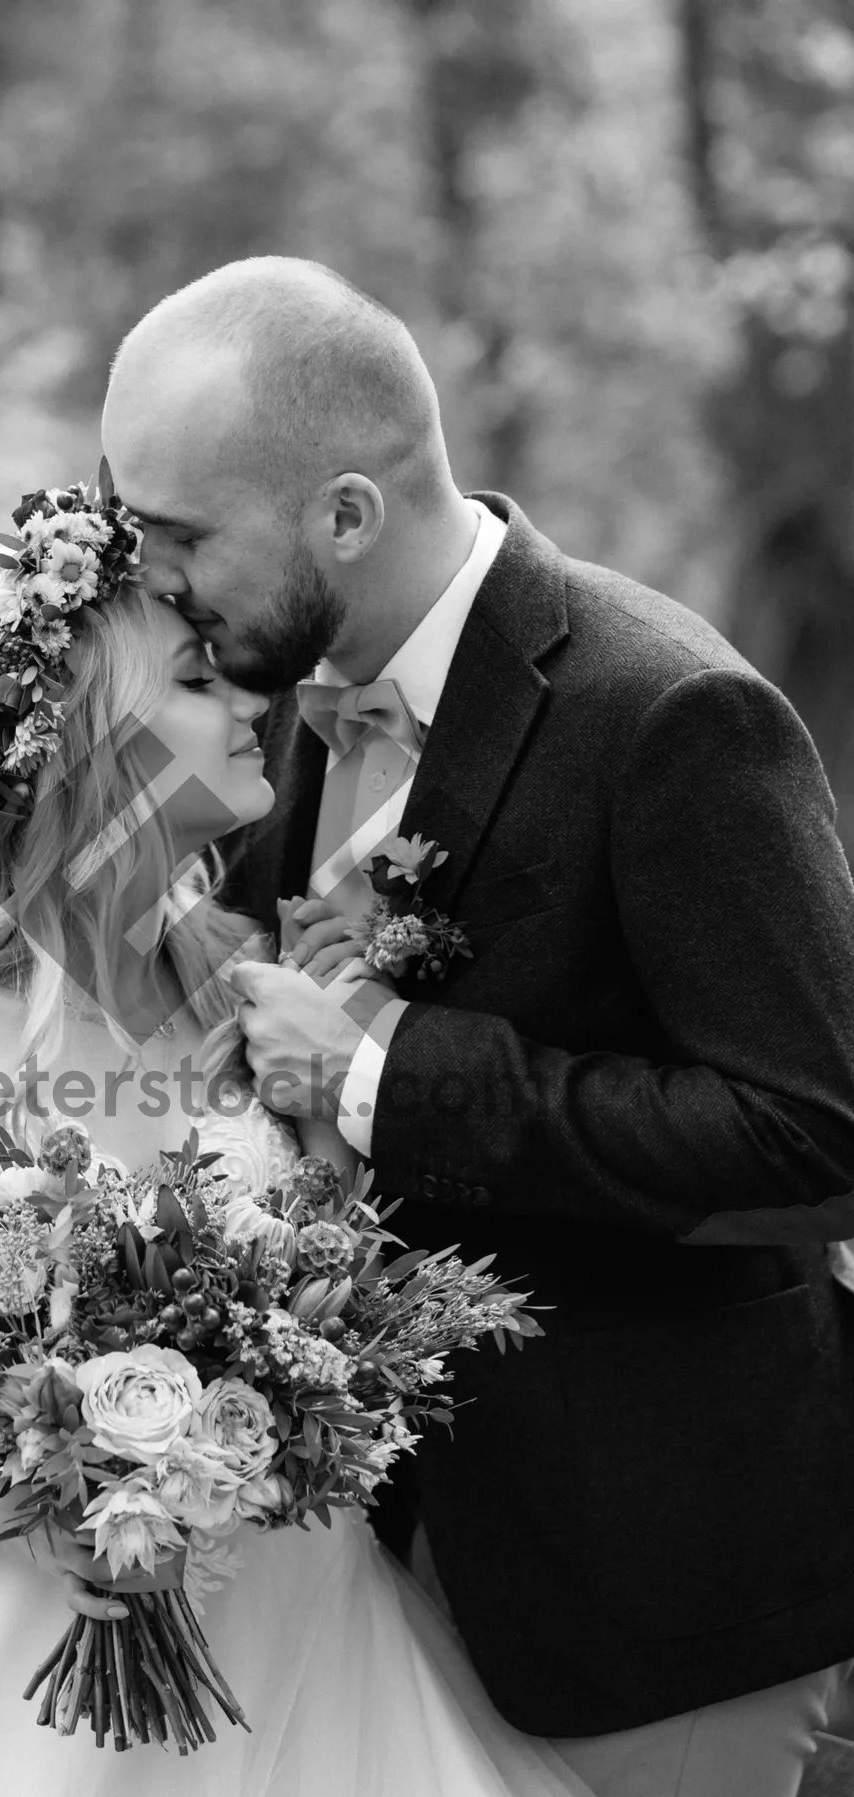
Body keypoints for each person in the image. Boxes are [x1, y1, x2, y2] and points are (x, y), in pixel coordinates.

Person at [101, 256, 854, 1797]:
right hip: (367, 1583)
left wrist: (384, 1073)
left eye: (183, 537)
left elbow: (819, 1137)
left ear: (347, 518)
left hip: (651, 1593)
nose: (159, 582)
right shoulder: (281, 724)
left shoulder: (670, 714)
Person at [0, 489, 590, 1797]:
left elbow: (353, 1284)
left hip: (321, 1643)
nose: (257, 696)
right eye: (199, 675)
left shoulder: (261, 990)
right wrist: (83, 1519)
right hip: (39, 1672)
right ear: (88, 743)